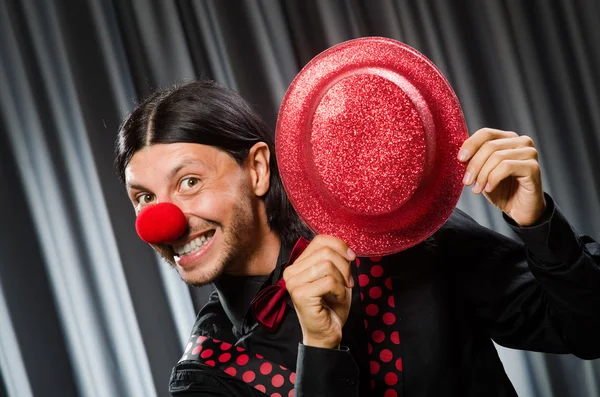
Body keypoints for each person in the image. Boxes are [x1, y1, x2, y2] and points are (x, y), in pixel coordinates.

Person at [115, 79, 600, 397]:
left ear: (258, 169)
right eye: (143, 198)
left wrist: (537, 223)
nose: (164, 220)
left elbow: (587, 329)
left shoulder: (397, 234)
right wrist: (320, 346)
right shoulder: (205, 382)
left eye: (189, 182)